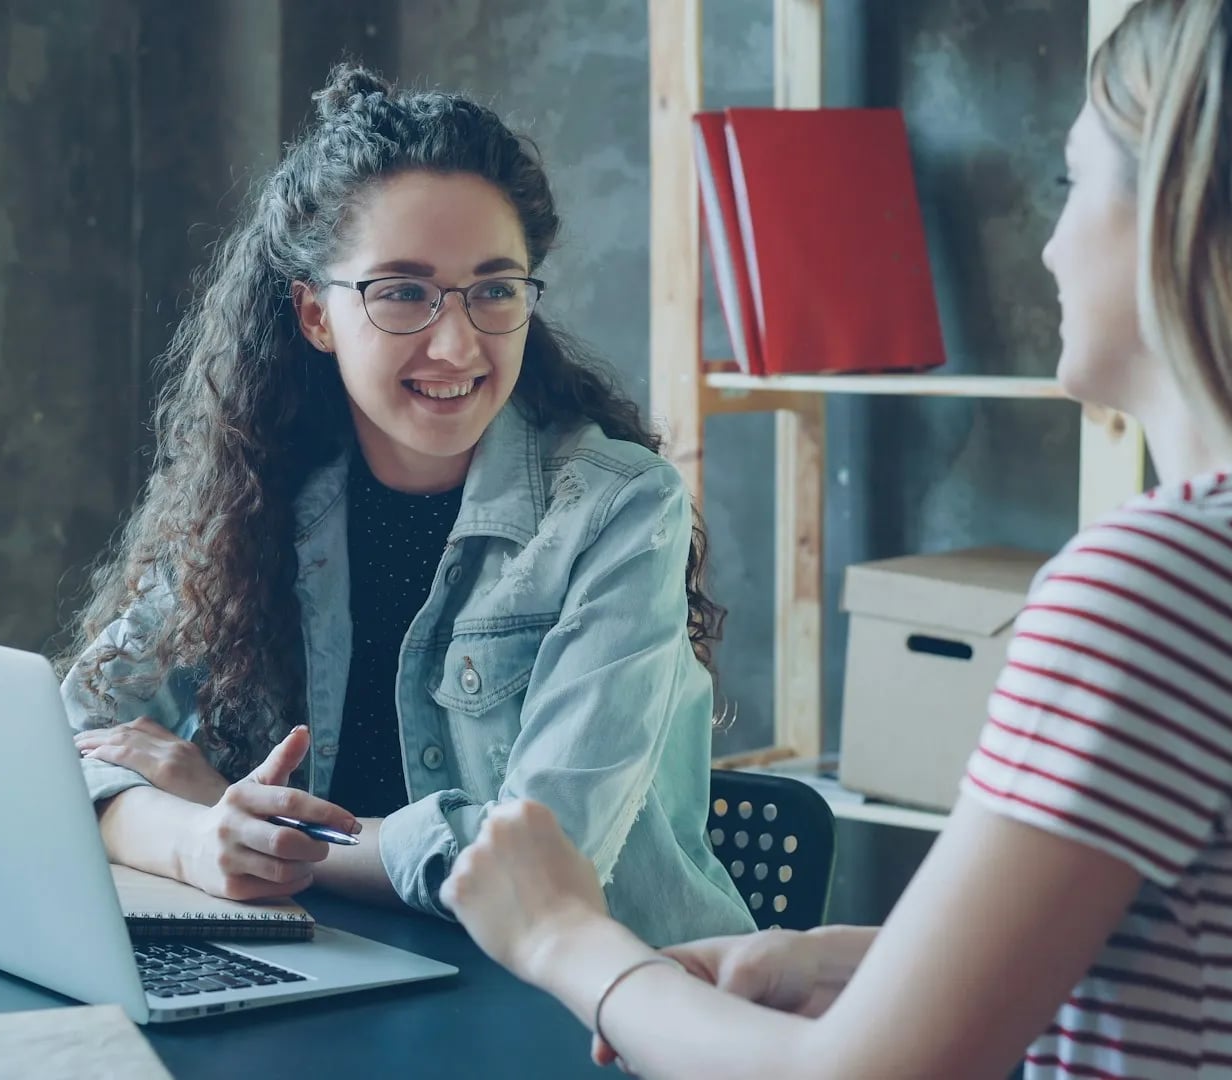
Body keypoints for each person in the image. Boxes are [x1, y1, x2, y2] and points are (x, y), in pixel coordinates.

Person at [440, 1, 1232, 1076]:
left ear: (1192, 219)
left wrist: (565, 938)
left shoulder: (1175, 586)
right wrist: (873, 963)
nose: (1050, 247)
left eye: (1071, 184)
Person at [57, 64, 755, 947]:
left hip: (600, 1010)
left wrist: (272, 834)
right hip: (344, 977)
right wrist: (198, 838)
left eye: (496, 289)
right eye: (402, 292)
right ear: (315, 315)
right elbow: (69, 750)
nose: (458, 341)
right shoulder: (257, 491)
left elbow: (544, 862)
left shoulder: (617, 510)